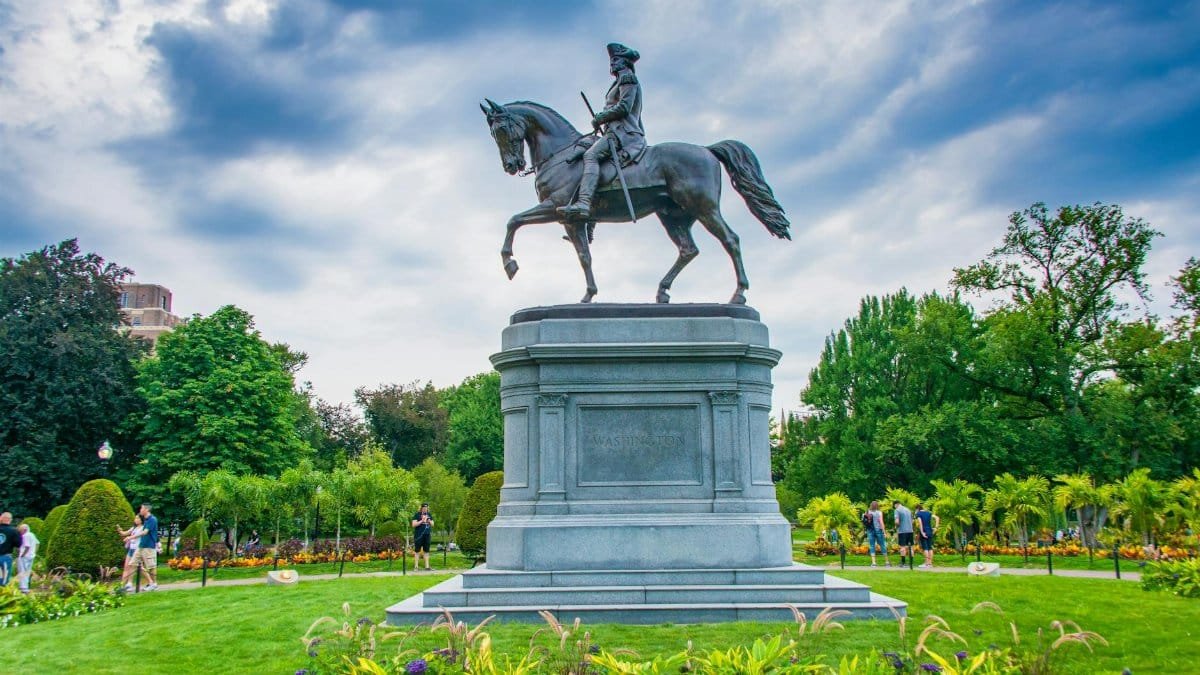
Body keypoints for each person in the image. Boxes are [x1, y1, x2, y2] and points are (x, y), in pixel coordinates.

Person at [557, 42, 646, 221]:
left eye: (616, 60)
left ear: (625, 62)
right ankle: (590, 222)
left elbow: (624, 107)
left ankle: (583, 203)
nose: (612, 64)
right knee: (584, 145)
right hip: (614, 131)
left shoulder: (627, 78)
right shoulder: (619, 80)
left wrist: (601, 117)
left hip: (624, 133)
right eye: (611, 61)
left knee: (591, 156)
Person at [118, 515, 147, 591]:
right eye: (135, 518)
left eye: (137, 518)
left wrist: (129, 538)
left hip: (138, 550)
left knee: (139, 568)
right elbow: (124, 533)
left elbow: (137, 536)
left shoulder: (143, 528)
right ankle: (123, 585)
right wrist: (119, 530)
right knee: (127, 567)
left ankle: (151, 582)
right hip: (131, 549)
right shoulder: (134, 528)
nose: (136, 519)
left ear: (141, 520)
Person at [134, 503, 159, 590]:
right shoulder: (146, 520)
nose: (140, 510)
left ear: (146, 510)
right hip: (142, 545)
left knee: (151, 566)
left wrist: (131, 537)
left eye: (141, 508)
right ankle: (150, 582)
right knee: (134, 563)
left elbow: (145, 532)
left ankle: (153, 584)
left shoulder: (152, 519)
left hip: (149, 546)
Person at [914, 503, 940, 568]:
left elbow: (920, 523)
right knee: (930, 547)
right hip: (930, 531)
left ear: (917, 509)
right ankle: (930, 564)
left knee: (925, 548)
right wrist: (936, 527)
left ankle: (926, 563)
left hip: (924, 531)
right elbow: (937, 518)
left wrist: (922, 532)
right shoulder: (928, 513)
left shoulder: (918, 514)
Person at [865, 500, 890, 567]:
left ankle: (874, 563)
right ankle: (887, 562)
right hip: (878, 530)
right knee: (882, 545)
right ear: (877, 506)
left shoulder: (867, 512)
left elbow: (865, 521)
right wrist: (884, 532)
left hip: (870, 530)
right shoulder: (879, 512)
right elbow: (881, 522)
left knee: (872, 546)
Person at [411, 503, 434, 570]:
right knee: (417, 551)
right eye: (424, 508)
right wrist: (422, 521)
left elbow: (433, 524)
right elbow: (413, 524)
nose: (425, 509)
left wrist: (429, 521)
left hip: (427, 535)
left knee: (426, 551)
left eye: (426, 508)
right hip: (418, 535)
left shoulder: (429, 515)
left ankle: (427, 566)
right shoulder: (417, 515)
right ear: (421, 508)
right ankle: (416, 567)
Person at [16, 523, 38, 593]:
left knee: (22, 571)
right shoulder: (32, 534)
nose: (20, 532)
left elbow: (27, 546)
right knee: (27, 571)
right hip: (31, 556)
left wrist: (22, 555)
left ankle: (23, 588)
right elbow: (38, 543)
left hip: (24, 556)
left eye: (20, 530)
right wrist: (34, 552)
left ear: (24, 529)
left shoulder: (25, 536)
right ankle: (26, 587)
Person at [0, 513, 20, 586]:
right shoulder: (14, 531)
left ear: (1, 518)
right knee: (4, 578)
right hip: (6, 556)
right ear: (10, 520)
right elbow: (18, 544)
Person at [892, 501, 914, 568]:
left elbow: (897, 521)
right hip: (910, 530)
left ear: (896, 504)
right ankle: (911, 563)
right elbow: (912, 520)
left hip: (902, 531)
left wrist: (896, 526)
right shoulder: (908, 509)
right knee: (911, 547)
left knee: (902, 547)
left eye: (894, 506)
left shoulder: (897, 510)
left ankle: (903, 563)